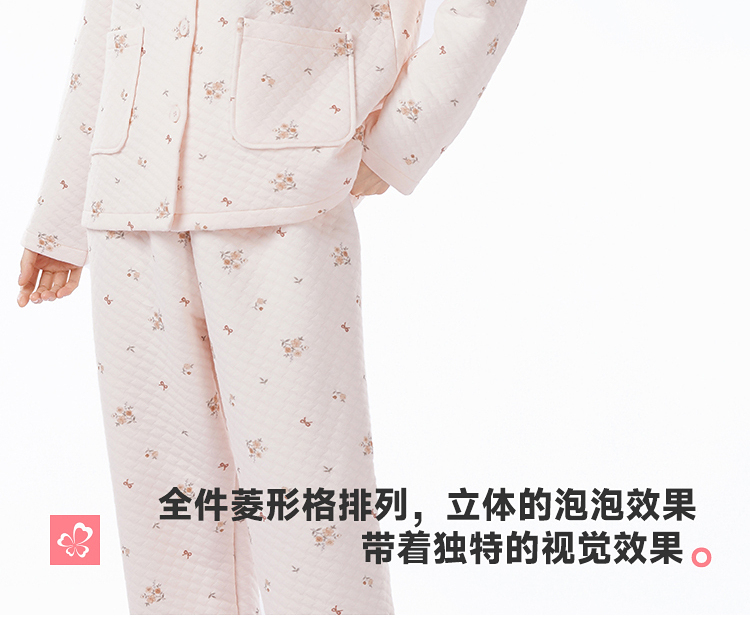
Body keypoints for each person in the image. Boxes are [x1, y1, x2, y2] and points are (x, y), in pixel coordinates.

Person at [17, 0, 527, 613]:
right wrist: (62, 211)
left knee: (309, 511)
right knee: (168, 527)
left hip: (285, 188)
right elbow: (108, 17)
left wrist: (398, 140)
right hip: (130, 197)